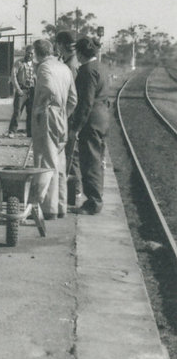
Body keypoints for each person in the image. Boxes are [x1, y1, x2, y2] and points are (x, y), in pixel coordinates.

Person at [32, 38, 77, 219]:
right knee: (60, 161)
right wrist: (64, 114)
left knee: (46, 161)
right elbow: (74, 99)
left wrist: (39, 110)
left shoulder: (44, 67)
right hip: (62, 117)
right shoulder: (64, 68)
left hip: (47, 115)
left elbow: (49, 88)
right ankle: (60, 205)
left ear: (37, 52)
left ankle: (48, 208)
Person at [72, 37, 110, 214]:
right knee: (97, 159)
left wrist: (77, 127)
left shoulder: (87, 70)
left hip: (91, 119)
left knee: (90, 161)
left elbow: (85, 102)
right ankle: (96, 198)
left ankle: (94, 203)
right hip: (102, 116)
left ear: (80, 52)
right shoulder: (101, 67)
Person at [55, 30, 81, 205]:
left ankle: (74, 192)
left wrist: (64, 117)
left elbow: (72, 95)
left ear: (61, 45)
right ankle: (73, 191)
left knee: (71, 153)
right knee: (71, 153)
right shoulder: (70, 61)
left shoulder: (70, 65)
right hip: (72, 114)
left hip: (70, 115)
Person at [8, 46, 35, 137]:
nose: (30, 55)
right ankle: (12, 131)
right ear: (25, 52)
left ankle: (30, 132)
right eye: (28, 52)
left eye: (32, 53)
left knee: (31, 112)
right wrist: (18, 89)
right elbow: (13, 76)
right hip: (22, 89)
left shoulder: (35, 64)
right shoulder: (19, 63)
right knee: (17, 111)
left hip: (32, 90)